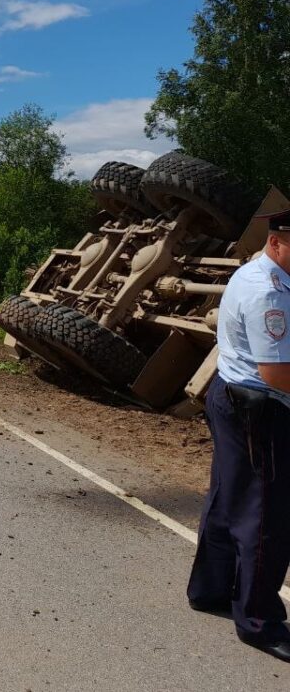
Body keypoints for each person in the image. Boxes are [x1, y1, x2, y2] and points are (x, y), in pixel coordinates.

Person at [188, 206, 290, 661]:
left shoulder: (258, 273)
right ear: (277, 241)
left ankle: (209, 590)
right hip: (262, 409)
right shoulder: (271, 294)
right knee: (266, 515)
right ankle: (259, 622)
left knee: (228, 498)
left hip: (231, 398)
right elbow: (276, 373)